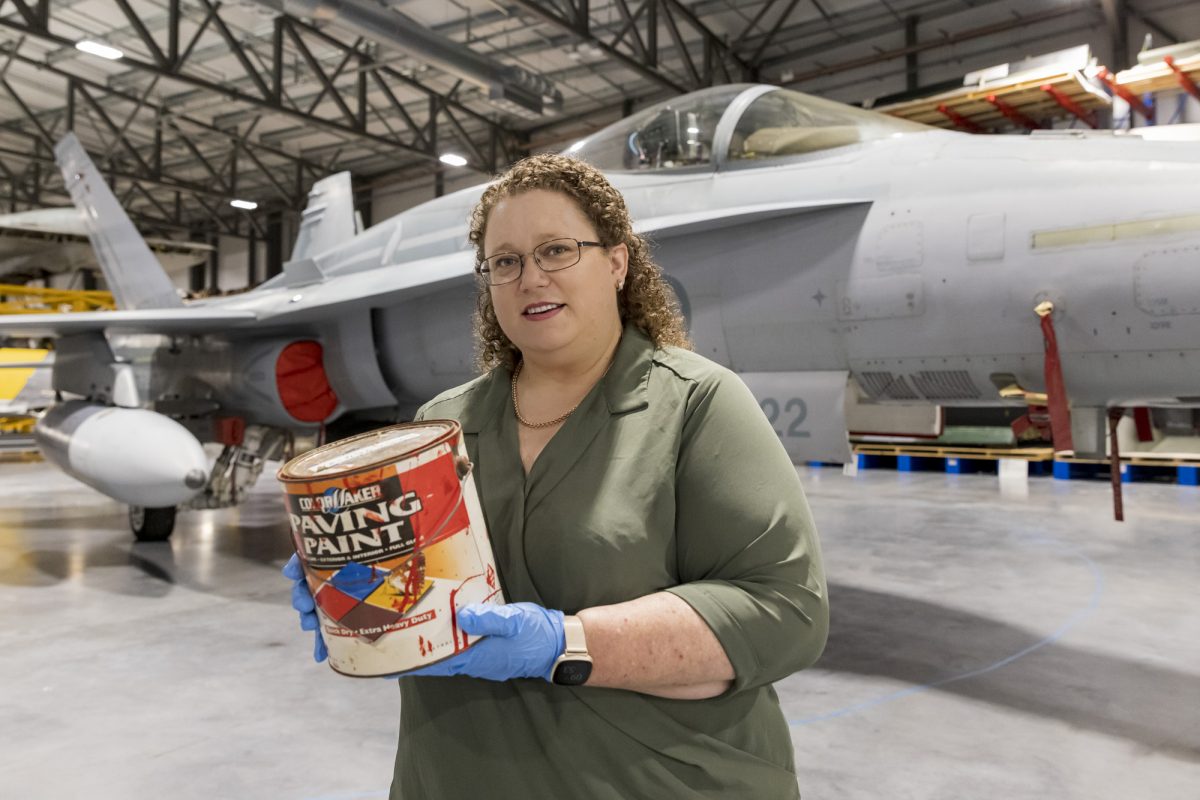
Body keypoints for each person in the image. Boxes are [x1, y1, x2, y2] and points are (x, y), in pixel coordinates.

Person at [284, 153, 829, 799]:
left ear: (618, 262)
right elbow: (415, 597)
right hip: (454, 776)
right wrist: (355, 594)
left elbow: (784, 613)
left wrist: (562, 643)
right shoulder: (441, 426)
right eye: (505, 262)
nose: (530, 278)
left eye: (557, 250)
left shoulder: (697, 403)